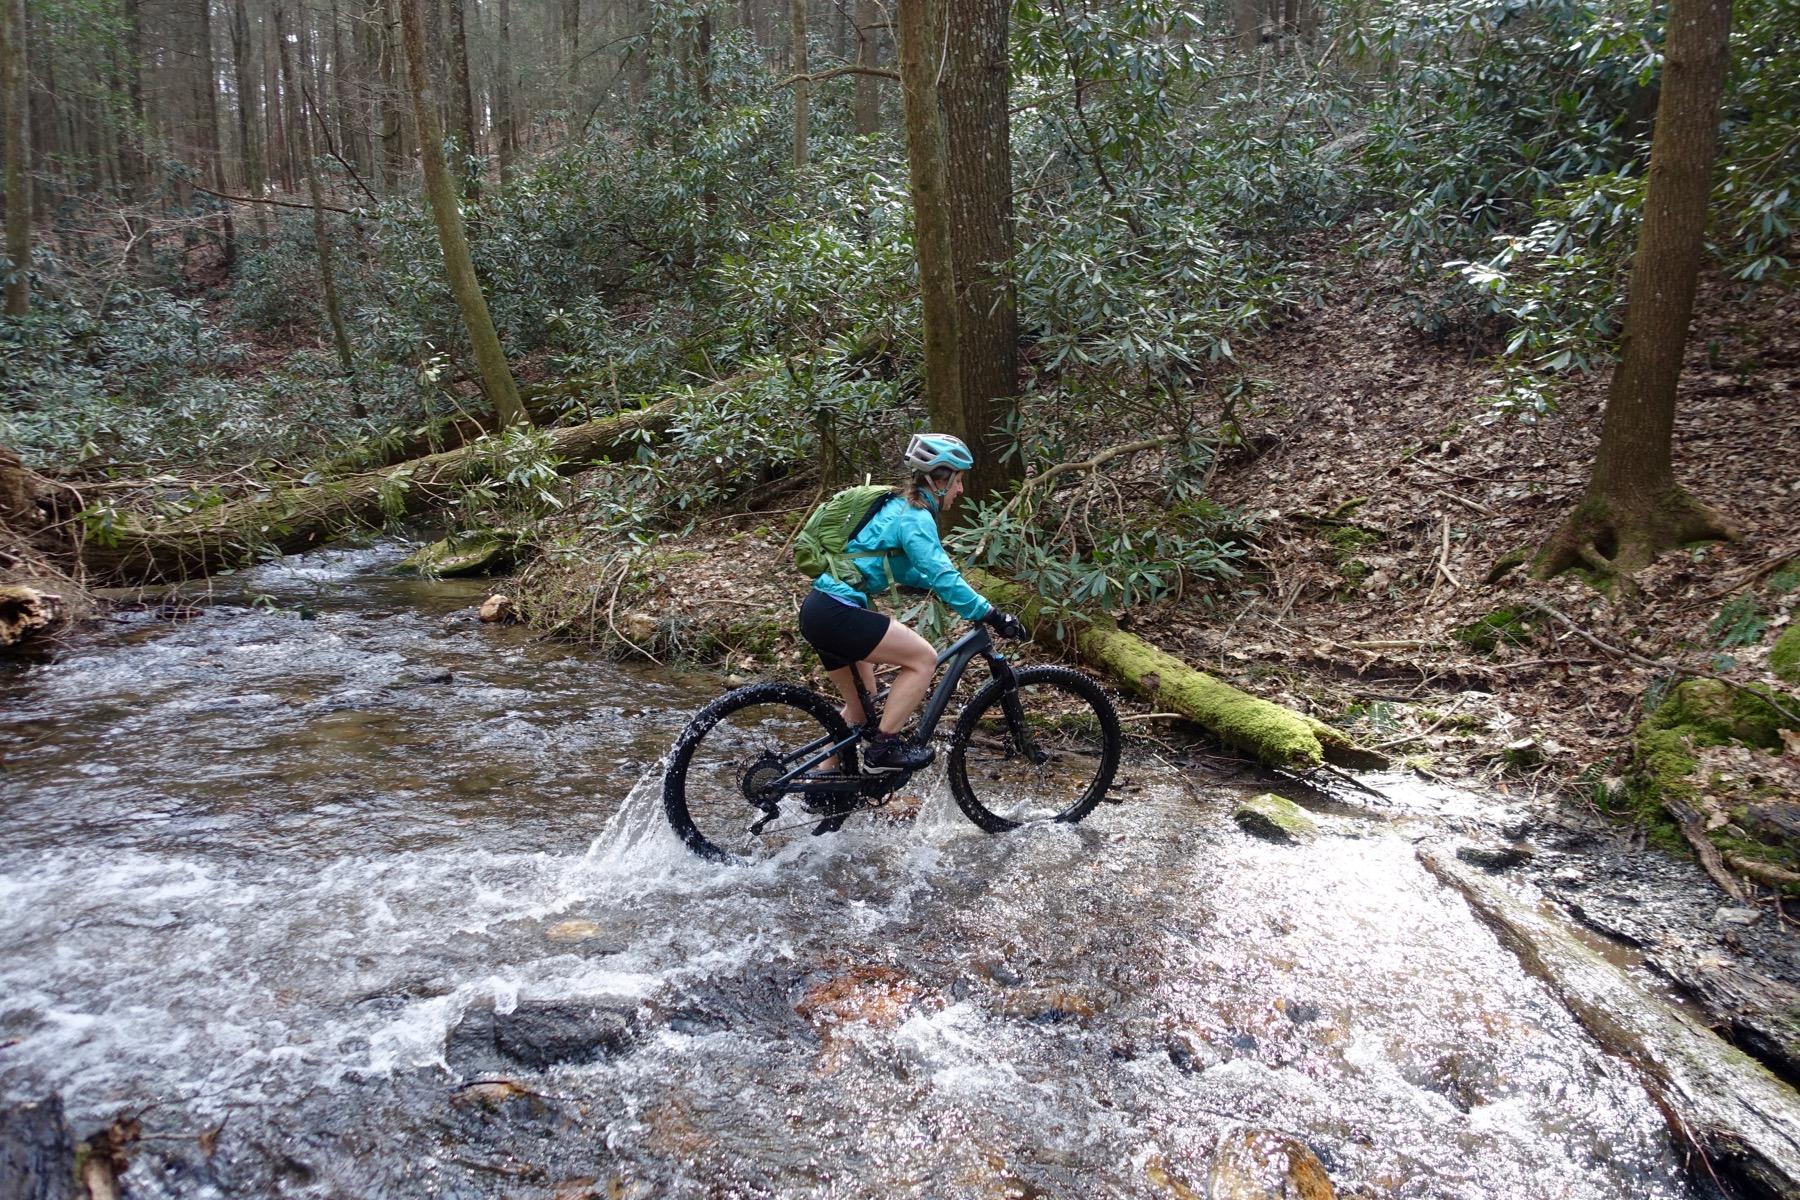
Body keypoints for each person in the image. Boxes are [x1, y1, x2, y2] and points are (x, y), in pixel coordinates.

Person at [798, 433, 1026, 770]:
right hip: (838, 613)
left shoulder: (896, 508)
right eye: (958, 481)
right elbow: (941, 575)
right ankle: (882, 752)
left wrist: (946, 590)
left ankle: (820, 790)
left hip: (819, 610)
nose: (960, 491)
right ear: (939, 480)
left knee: (859, 710)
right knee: (923, 659)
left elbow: (905, 568)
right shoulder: (916, 518)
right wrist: (991, 614)